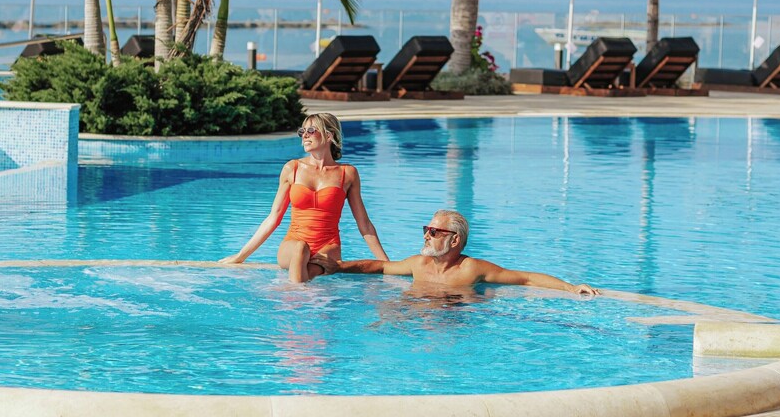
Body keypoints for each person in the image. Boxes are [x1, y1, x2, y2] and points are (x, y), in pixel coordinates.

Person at [219, 113, 389, 283]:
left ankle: (296, 300)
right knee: (301, 249)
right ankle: (303, 300)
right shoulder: (291, 169)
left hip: (328, 247)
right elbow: (273, 218)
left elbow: (364, 225)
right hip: (293, 245)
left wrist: (387, 265)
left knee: (310, 270)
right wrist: (240, 256)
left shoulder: (347, 174)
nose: (305, 135)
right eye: (302, 131)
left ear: (329, 135)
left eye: (311, 130)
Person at [316, 209, 599, 296]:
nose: (427, 235)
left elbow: (524, 279)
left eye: (435, 231)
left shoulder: (471, 269)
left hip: (453, 323)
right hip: (415, 317)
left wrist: (571, 287)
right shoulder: (419, 264)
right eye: (427, 229)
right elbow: (378, 268)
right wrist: (339, 266)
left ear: (454, 241)